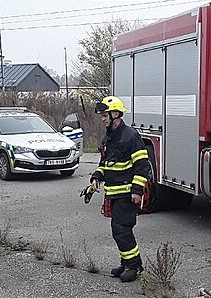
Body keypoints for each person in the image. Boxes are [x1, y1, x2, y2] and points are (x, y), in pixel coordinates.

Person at [90, 96, 150, 283]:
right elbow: (106, 162)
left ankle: (134, 266)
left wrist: (137, 191)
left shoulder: (130, 136)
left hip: (126, 193)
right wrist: (97, 176)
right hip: (114, 192)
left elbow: (142, 165)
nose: (103, 118)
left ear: (116, 114)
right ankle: (126, 263)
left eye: (105, 115)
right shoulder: (109, 136)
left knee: (121, 229)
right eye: (102, 115)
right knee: (120, 229)